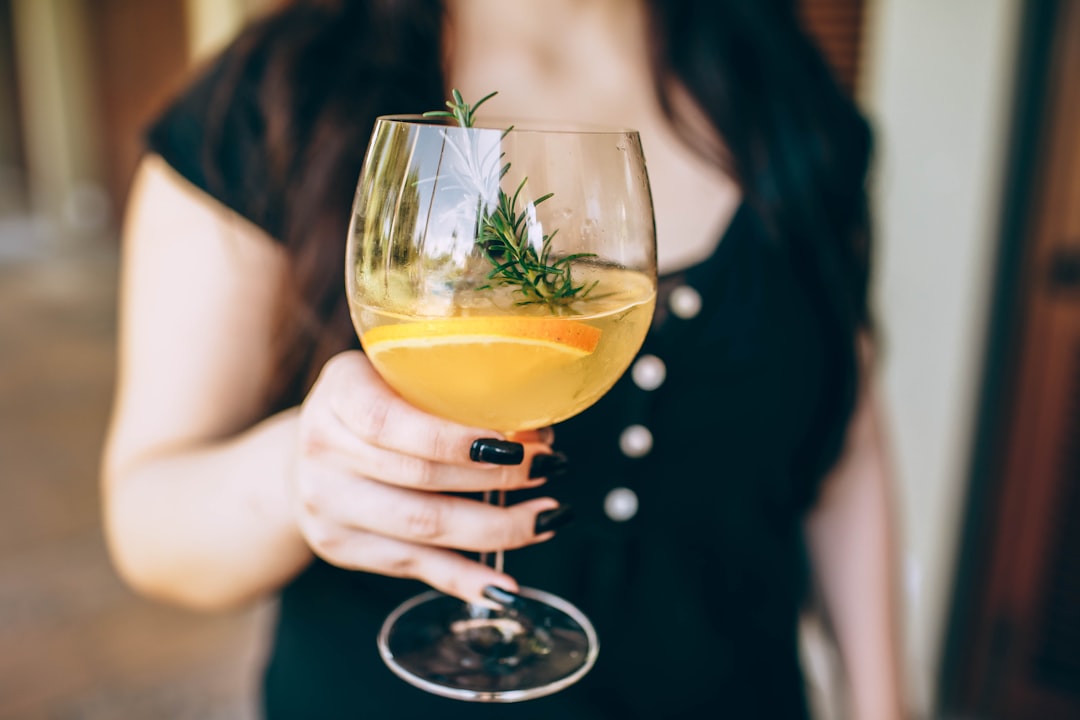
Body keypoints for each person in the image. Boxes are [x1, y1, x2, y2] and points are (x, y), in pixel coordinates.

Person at [101, 0, 906, 717]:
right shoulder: (278, 92)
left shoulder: (791, 92)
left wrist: (886, 706)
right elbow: (148, 523)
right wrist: (296, 477)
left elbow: (846, 443)